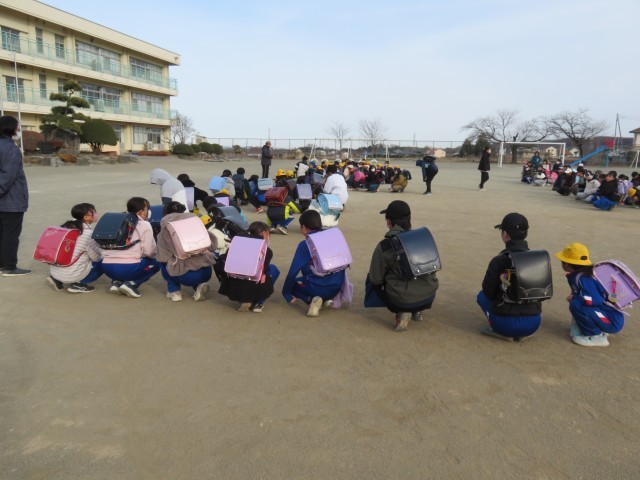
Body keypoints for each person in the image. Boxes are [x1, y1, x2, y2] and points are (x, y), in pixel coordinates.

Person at [368, 200, 439, 332]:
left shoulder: (385, 245)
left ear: (389, 222)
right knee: (420, 275)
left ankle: (402, 312)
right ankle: (418, 311)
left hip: (401, 300)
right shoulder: (422, 237)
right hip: (429, 296)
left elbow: (375, 278)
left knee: (373, 278)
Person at [477, 213, 542, 341]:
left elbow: (488, 292)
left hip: (506, 326)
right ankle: (524, 330)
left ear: (505, 234)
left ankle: (499, 329)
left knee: (481, 296)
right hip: (534, 324)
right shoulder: (536, 259)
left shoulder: (500, 260)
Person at [555, 243, 624, 347]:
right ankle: (595, 329)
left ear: (566, 264)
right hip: (608, 316)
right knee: (577, 303)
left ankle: (596, 336)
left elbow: (595, 299)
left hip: (610, 321)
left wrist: (575, 297)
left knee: (576, 304)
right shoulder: (583, 274)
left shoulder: (584, 278)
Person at [282, 210, 345, 317]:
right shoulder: (332, 236)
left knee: (293, 284)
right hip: (337, 286)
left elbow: (293, 272)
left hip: (318, 288)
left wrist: (286, 293)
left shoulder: (306, 244)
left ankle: (311, 300)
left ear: (303, 227)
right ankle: (325, 299)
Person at [156, 201, 216, 302]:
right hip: (206, 271)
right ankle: (198, 286)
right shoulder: (195, 222)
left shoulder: (165, 230)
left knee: (163, 262)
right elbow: (213, 245)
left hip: (185, 275)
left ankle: (174, 291)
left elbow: (163, 257)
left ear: (165, 214)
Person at [101, 197, 160, 298]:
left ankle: (117, 282)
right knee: (157, 262)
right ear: (141, 212)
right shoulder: (144, 224)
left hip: (107, 267)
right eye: (147, 209)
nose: (148, 211)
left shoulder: (115, 221)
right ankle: (132, 284)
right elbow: (149, 251)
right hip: (128, 268)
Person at [218, 221, 279, 312]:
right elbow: (263, 270)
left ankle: (244, 299)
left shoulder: (237, 243)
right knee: (273, 269)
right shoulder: (267, 251)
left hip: (232, 287)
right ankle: (258, 303)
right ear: (264, 233)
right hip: (253, 285)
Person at [47, 203, 103, 293]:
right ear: (86, 217)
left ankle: (57, 279)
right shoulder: (88, 234)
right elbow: (96, 258)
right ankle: (79, 284)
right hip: (72, 275)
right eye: (94, 212)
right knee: (104, 261)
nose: (97, 214)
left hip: (55, 272)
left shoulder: (64, 227)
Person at [0, 115, 30, 276]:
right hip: (11, 201)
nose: (19, 131)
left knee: (2, 235)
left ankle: (2, 264)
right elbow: (7, 176)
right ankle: (10, 267)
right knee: (10, 235)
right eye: (18, 128)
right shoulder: (11, 149)